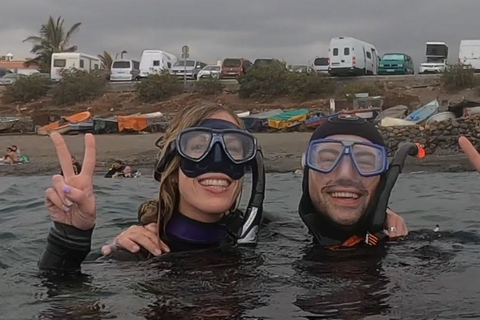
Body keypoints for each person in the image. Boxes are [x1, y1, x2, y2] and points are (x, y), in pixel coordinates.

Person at [38, 104, 265, 275]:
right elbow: (61, 301)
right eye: (197, 147)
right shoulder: (139, 253)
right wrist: (69, 239)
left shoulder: (269, 233)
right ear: (171, 167)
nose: (218, 161)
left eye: (234, 148)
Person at [298, 114, 415, 250]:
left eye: (364, 162)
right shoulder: (273, 233)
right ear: (307, 172)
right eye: (328, 159)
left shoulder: (417, 253)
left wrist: (380, 212)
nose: (346, 175)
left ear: (382, 179)